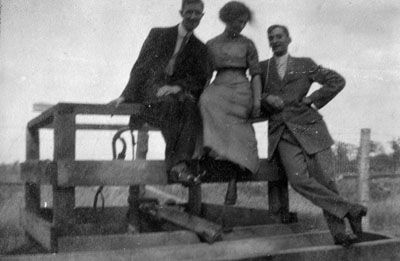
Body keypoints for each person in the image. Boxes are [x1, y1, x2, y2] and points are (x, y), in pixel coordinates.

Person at [259, 24, 367, 247]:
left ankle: (340, 235)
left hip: (311, 128)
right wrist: (265, 97)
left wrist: (313, 99)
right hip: (281, 132)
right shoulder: (262, 68)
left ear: (289, 39)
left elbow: (337, 80)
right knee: (298, 180)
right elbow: (252, 94)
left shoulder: (304, 64)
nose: (276, 40)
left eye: (280, 36)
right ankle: (351, 210)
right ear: (269, 42)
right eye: (271, 38)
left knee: (326, 182)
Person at [109, 0, 209, 187]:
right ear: (181, 13)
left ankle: (179, 166)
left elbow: (198, 79)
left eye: (197, 13)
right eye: (189, 12)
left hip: (174, 93)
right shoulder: (158, 35)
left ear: (202, 16)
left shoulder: (199, 48)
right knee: (169, 102)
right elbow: (141, 66)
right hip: (151, 91)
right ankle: (176, 166)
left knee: (189, 105)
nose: (193, 16)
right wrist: (125, 95)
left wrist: (178, 87)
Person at [199, 1, 262, 205]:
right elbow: (206, 75)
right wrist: (200, 95)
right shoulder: (211, 44)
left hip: (241, 88)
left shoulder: (248, 44)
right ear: (227, 20)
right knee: (206, 100)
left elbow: (255, 75)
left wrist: (257, 100)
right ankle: (216, 157)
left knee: (238, 130)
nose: (241, 26)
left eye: (244, 22)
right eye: (237, 22)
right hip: (219, 85)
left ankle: (233, 180)